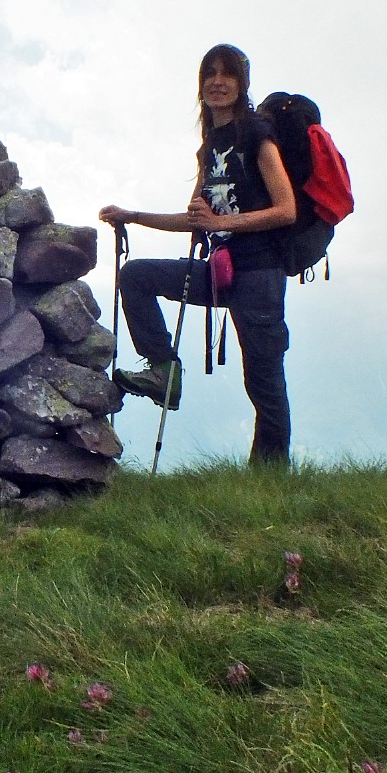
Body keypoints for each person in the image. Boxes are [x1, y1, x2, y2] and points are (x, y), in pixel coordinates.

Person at [99, 44, 296, 464]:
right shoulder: (211, 147)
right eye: (210, 73)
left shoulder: (257, 134)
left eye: (227, 74)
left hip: (260, 272)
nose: (217, 82)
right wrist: (132, 216)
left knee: (263, 380)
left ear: (242, 84)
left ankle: (271, 476)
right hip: (222, 270)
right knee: (136, 276)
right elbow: (195, 219)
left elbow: (286, 209)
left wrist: (221, 225)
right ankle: (164, 373)